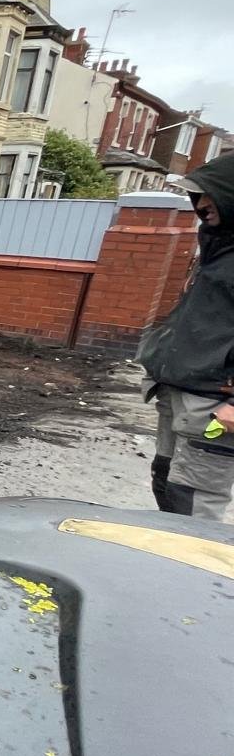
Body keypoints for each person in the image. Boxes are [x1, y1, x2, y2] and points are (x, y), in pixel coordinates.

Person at [138, 153, 234, 520]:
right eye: (199, 195)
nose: (202, 203)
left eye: (211, 194)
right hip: (182, 392)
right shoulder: (218, 247)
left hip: (211, 408)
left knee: (195, 495)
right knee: (168, 480)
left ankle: (194, 572)